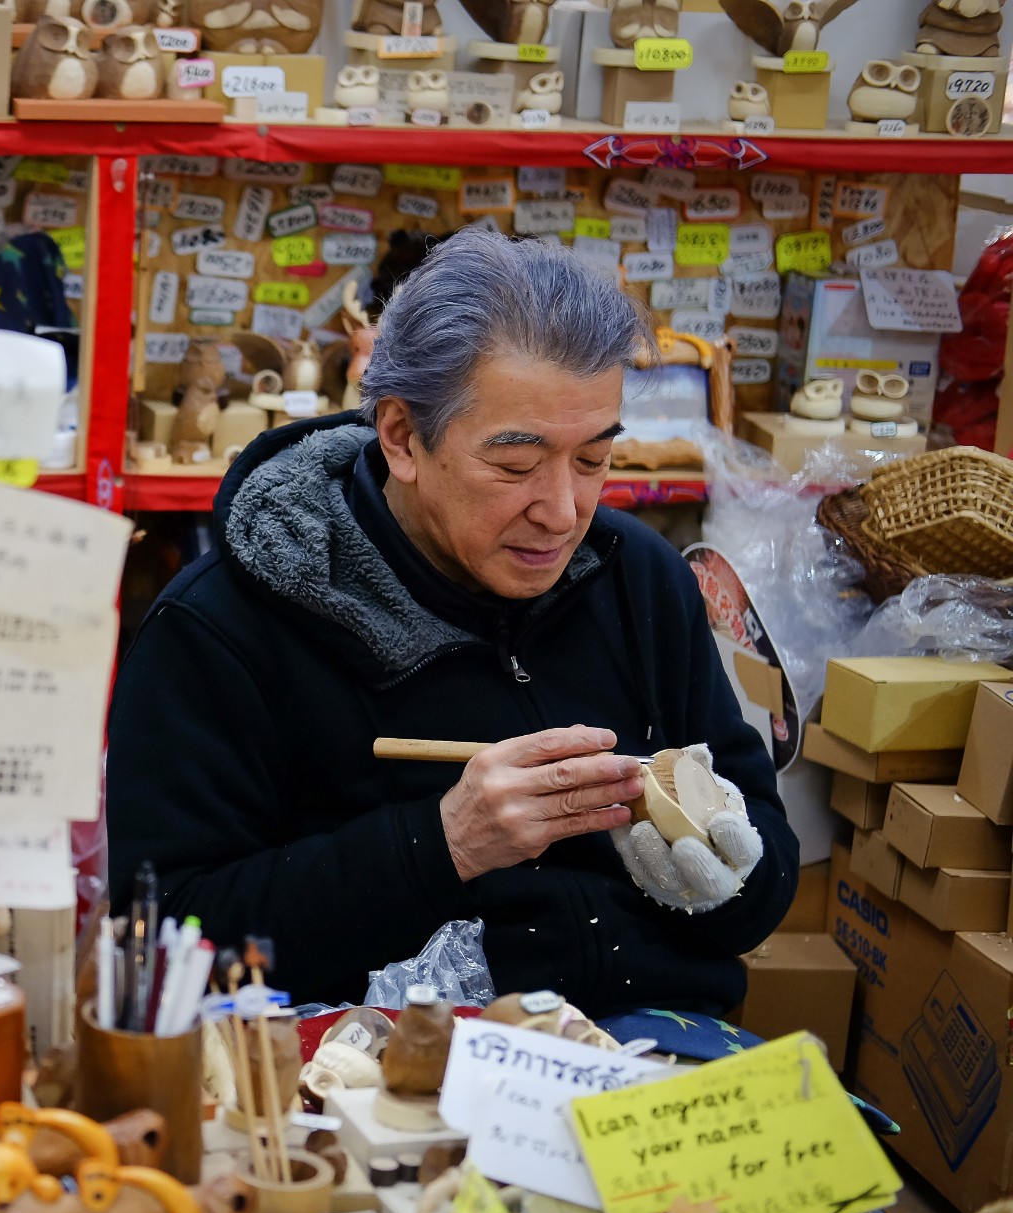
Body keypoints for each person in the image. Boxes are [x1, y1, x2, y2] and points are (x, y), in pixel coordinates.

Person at [107, 232, 796, 1018]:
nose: (563, 511)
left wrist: (726, 875)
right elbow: (158, 937)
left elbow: (765, 867)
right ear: (402, 436)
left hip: (653, 1052)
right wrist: (440, 846)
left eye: (593, 460)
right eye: (515, 465)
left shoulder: (641, 580)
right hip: (376, 1080)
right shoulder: (226, 623)